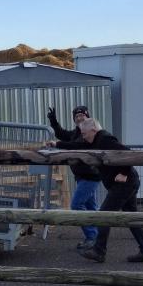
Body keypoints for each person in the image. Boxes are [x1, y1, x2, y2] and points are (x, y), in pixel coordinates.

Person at [76, 118, 143, 263]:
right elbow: (75, 145)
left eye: (84, 133)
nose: (83, 137)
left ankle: (99, 251)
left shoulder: (105, 139)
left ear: (93, 130)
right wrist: (57, 144)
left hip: (124, 184)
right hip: (128, 183)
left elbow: (128, 154)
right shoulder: (95, 141)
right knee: (131, 217)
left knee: (104, 215)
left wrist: (124, 173)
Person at [47, 104, 100, 250]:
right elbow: (62, 134)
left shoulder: (89, 133)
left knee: (76, 205)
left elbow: (75, 145)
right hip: (83, 177)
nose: (79, 118)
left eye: (82, 115)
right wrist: (53, 121)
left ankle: (92, 236)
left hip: (90, 176)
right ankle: (98, 237)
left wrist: (57, 144)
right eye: (76, 116)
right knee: (91, 208)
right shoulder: (77, 132)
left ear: (88, 117)